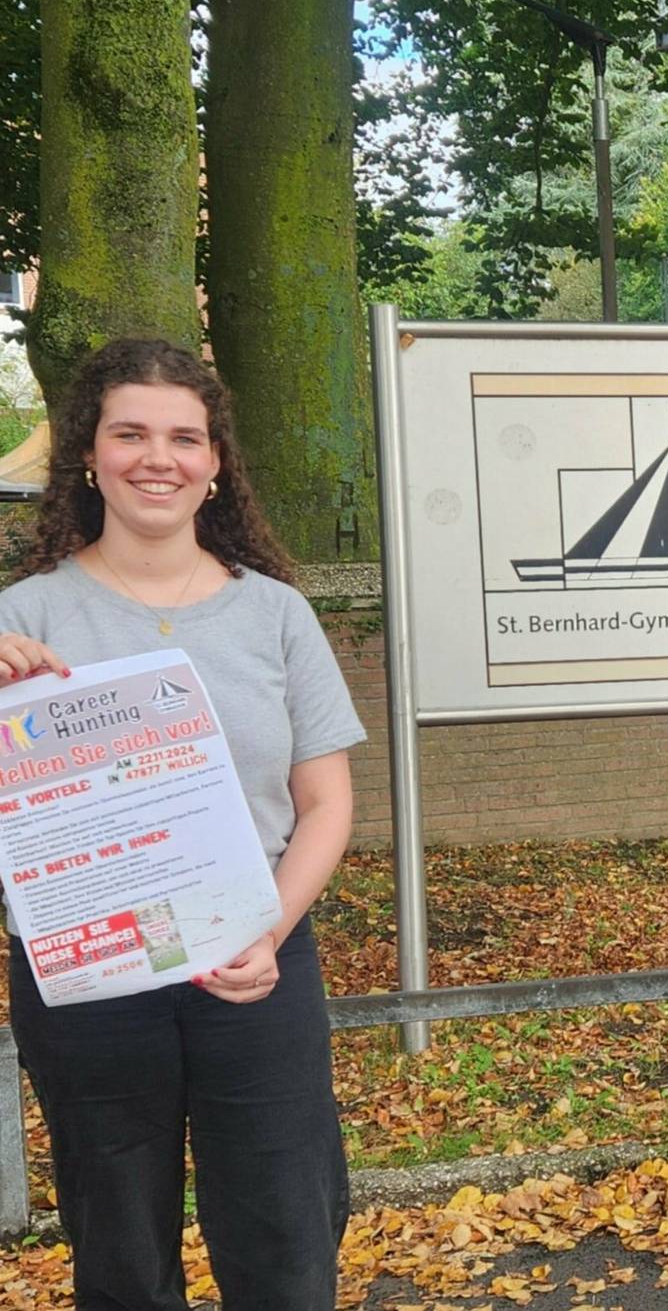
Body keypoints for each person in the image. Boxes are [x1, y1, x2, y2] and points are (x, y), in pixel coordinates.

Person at [0, 339, 366, 1309]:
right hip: (89, 969)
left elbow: (327, 801)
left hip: (256, 954)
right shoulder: (21, 619)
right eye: (130, 433)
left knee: (287, 1228)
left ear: (214, 465)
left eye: (183, 437)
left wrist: (270, 927)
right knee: (118, 1242)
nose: (157, 456)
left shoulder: (277, 615)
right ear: (89, 453)